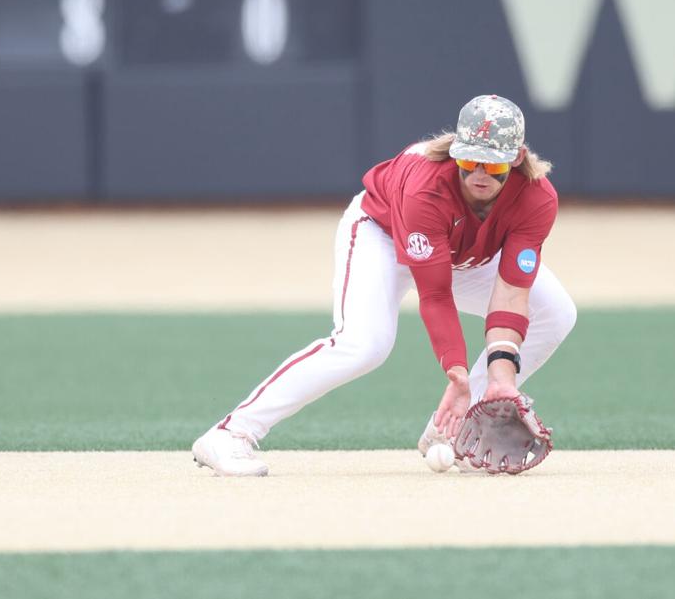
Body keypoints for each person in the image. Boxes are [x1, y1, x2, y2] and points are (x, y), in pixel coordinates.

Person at [192, 94, 578, 476]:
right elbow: (436, 294)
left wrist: (501, 379)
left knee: (556, 312)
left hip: (462, 254)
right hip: (382, 234)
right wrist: (457, 373)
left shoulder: (536, 198)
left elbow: (511, 292)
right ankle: (231, 433)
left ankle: (451, 429)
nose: (478, 173)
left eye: (491, 164)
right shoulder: (427, 187)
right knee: (364, 345)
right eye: (468, 159)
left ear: (516, 158)